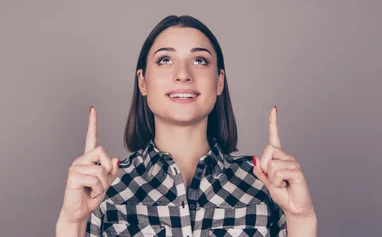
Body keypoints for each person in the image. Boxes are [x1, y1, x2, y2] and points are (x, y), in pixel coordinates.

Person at [56, 15, 317, 236]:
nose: (183, 74)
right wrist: (72, 221)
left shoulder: (266, 187)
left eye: (200, 60)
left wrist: (301, 218)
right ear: (143, 82)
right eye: (165, 60)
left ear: (219, 81)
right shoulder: (103, 189)